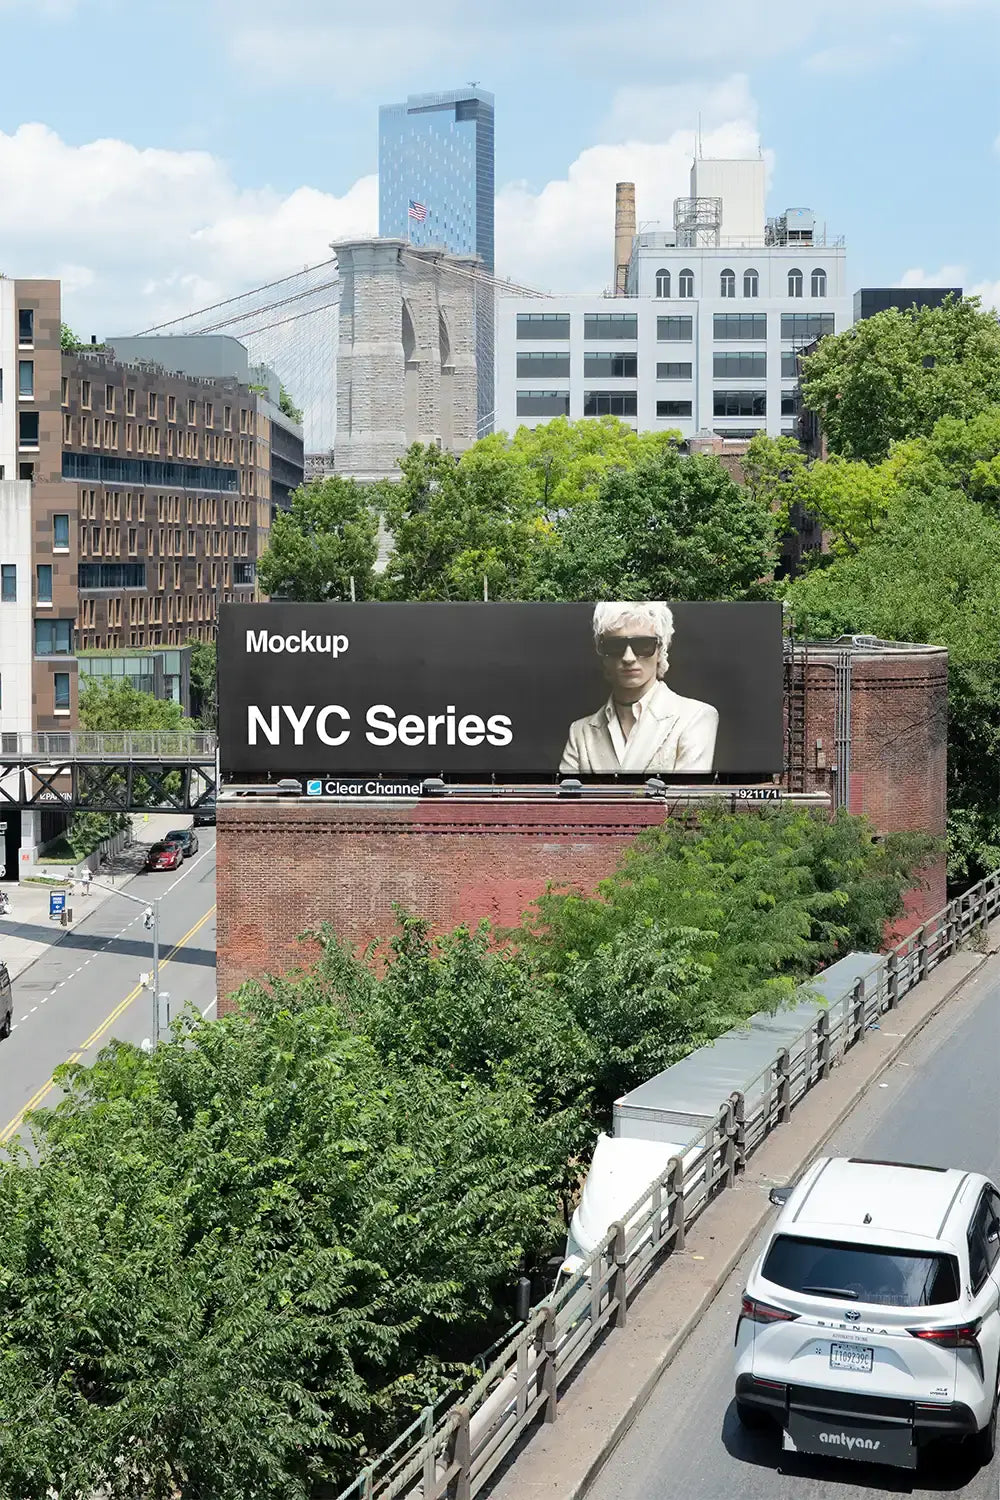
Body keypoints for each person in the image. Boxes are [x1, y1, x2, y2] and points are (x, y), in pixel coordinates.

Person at [559, 601, 718, 775]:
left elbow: (685, 799)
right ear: (603, 655)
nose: (628, 658)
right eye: (615, 646)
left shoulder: (696, 716)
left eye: (643, 645)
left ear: (660, 650)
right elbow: (568, 800)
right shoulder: (580, 732)